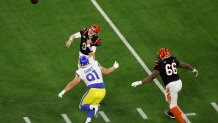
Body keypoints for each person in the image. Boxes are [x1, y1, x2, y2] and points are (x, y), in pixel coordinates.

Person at [131, 48, 198, 123]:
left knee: (172, 106)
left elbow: (153, 76)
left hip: (171, 86)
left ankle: (182, 121)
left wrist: (140, 82)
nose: (158, 57)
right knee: (169, 98)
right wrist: (193, 69)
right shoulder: (173, 59)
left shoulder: (159, 64)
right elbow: (185, 66)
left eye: (159, 56)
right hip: (179, 83)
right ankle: (171, 113)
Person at [58, 56, 119, 123]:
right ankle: (88, 120)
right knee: (91, 105)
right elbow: (106, 71)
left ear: (81, 63)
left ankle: (95, 107)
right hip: (102, 91)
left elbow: (73, 83)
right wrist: (114, 67)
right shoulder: (95, 64)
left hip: (93, 91)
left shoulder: (80, 71)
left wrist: (63, 91)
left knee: (82, 106)